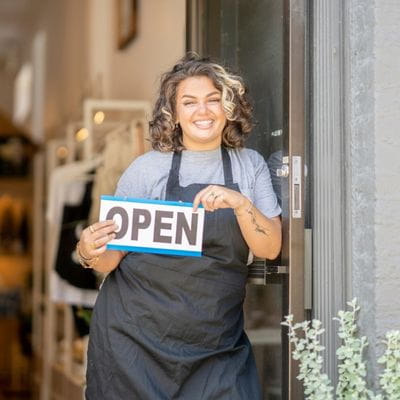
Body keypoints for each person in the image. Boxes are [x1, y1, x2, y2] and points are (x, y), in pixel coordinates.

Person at [77, 54, 282, 399]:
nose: (203, 111)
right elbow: (109, 260)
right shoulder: (147, 171)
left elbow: (270, 247)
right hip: (135, 345)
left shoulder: (250, 167)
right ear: (173, 114)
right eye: (189, 102)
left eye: (213, 100)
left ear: (229, 106)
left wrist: (239, 203)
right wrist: (87, 251)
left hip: (217, 348)